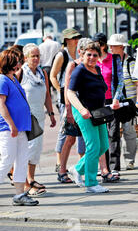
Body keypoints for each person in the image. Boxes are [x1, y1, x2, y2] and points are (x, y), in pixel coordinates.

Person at [67, 41, 115, 193]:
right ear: (82, 54)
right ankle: (91, 183)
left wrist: (110, 104)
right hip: (85, 112)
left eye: (95, 55)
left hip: (98, 112)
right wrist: (81, 109)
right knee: (93, 146)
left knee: (103, 146)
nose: (92, 57)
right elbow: (70, 92)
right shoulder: (79, 70)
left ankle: (77, 168)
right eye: (89, 54)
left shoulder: (97, 70)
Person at [16, 44, 57, 196]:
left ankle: (31, 178)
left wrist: (51, 114)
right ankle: (26, 184)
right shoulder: (20, 73)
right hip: (25, 118)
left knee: (36, 150)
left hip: (39, 116)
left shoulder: (42, 74)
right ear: (25, 58)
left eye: (38, 55)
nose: (36, 58)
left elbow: (47, 95)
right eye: (32, 56)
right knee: (26, 150)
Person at [0, 49, 38, 206]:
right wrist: (10, 124)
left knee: (22, 161)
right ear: (8, 62)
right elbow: (1, 104)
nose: (19, 63)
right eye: (16, 60)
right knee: (7, 159)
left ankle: (19, 194)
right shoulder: (2, 80)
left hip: (20, 128)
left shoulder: (13, 78)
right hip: (9, 129)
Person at [50, 28, 85, 174]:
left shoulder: (78, 53)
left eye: (77, 37)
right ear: (67, 40)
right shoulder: (61, 54)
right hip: (66, 94)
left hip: (79, 93)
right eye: (73, 38)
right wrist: (61, 91)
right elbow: (53, 75)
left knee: (81, 128)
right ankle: (59, 161)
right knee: (66, 129)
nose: (76, 40)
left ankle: (81, 158)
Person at [108, 33, 138, 170]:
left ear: (122, 47)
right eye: (110, 45)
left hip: (128, 100)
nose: (111, 48)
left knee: (128, 130)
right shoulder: (110, 61)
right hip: (115, 101)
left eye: (114, 46)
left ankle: (129, 160)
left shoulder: (130, 62)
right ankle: (114, 161)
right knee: (113, 131)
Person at [93, 33, 124, 176]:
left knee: (113, 133)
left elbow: (120, 80)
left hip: (112, 100)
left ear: (103, 45)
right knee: (101, 134)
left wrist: (117, 98)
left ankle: (115, 166)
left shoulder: (114, 59)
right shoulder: (92, 60)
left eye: (97, 44)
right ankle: (103, 167)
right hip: (98, 101)